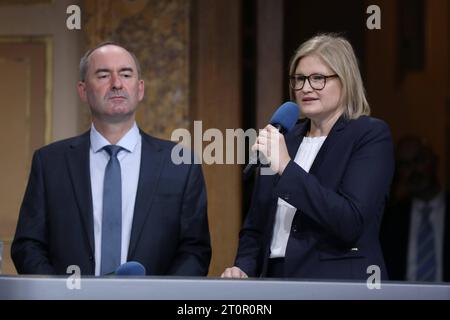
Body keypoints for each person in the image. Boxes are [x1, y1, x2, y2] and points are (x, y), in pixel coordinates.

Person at [11, 42, 211, 276]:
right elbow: (28, 246)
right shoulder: (49, 163)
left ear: (140, 89)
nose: (116, 84)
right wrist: (59, 295)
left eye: (126, 74)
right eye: (103, 75)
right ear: (83, 90)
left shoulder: (181, 164)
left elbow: (195, 250)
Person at [222, 34, 394, 280]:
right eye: (299, 79)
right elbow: (255, 226)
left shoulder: (369, 135)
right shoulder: (286, 138)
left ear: (346, 80)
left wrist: (286, 167)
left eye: (318, 78)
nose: (305, 88)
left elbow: (349, 221)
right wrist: (243, 268)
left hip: (337, 282)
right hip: (275, 280)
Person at [381, 136, 450, 282]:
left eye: (419, 160)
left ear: (434, 160)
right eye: (405, 165)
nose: (413, 170)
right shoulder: (389, 219)